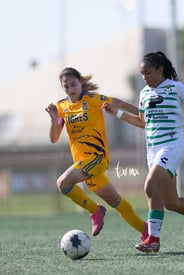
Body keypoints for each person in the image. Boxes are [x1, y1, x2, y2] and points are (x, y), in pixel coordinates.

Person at [102, 51, 184, 253]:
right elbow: (142, 122)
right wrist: (117, 112)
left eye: (148, 72)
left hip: (172, 145)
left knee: (149, 185)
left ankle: (153, 239)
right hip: (153, 151)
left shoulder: (176, 87)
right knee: (172, 203)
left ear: (160, 69)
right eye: (142, 74)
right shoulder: (144, 93)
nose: (145, 77)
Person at [45, 67, 148, 241]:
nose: (71, 89)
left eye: (73, 84)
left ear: (81, 82)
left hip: (97, 158)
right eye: (66, 87)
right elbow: (54, 138)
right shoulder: (62, 107)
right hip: (84, 166)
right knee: (116, 202)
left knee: (62, 183)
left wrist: (142, 115)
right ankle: (146, 232)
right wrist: (53, 119)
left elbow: (120, 103)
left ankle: (95, 211)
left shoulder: (93, 99)